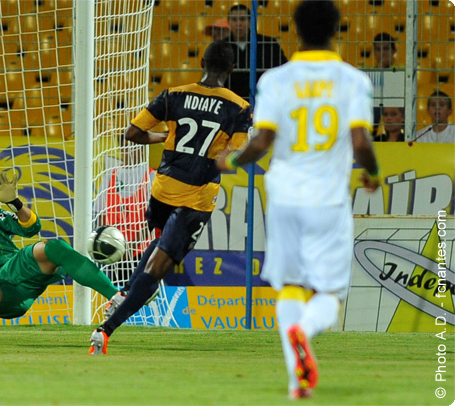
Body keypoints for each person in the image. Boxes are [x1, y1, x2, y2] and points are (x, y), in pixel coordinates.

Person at [216, 0, 380, 400]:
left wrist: (232, 160)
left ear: (295, 29)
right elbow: (360, 141)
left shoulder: (276, 79)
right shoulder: (353, 80)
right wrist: (372, 174)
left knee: (289, 285)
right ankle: (304, 331)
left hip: (284, 196)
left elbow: (262, 141)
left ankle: (297, 382)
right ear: (336, 29)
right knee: (327, 293)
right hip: (328, 199)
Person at [89, 40, 252, 355]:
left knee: (160, 242)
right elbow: (234, 156)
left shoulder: (173, 95)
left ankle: (124, 292)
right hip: (197, 198)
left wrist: (165, 136)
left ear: (202, 61)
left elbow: (133, 134)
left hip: (162, 191)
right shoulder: (239, 108)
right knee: (157, 269)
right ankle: (105, 330)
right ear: (232, 69)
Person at [0, 171, 121, 320]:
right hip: (1, 294)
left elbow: (31, 227)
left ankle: (118, 298)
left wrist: (15, 202)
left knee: (55, 247)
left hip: (15, 269)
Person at [93, 134, 157, 291]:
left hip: (141, 250)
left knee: (140, 293)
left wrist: (131, 247)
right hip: (114, 250)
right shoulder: (110, 175)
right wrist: (106, 241)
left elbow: (154, 218)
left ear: (141, 149)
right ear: (121, 149)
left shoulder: (151, 176)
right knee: (117, 294)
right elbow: (100, 213)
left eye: (133, 147)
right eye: (125, 147)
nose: (129, 150)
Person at [225, 4, 288, 101]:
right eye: (234, 20)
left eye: (242, 19)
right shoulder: (222, 47)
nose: (238, 23)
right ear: (228, 23)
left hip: (264, 100)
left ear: (250, 21)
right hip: (231, 102)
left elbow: (282, 71)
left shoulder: (269, 44)